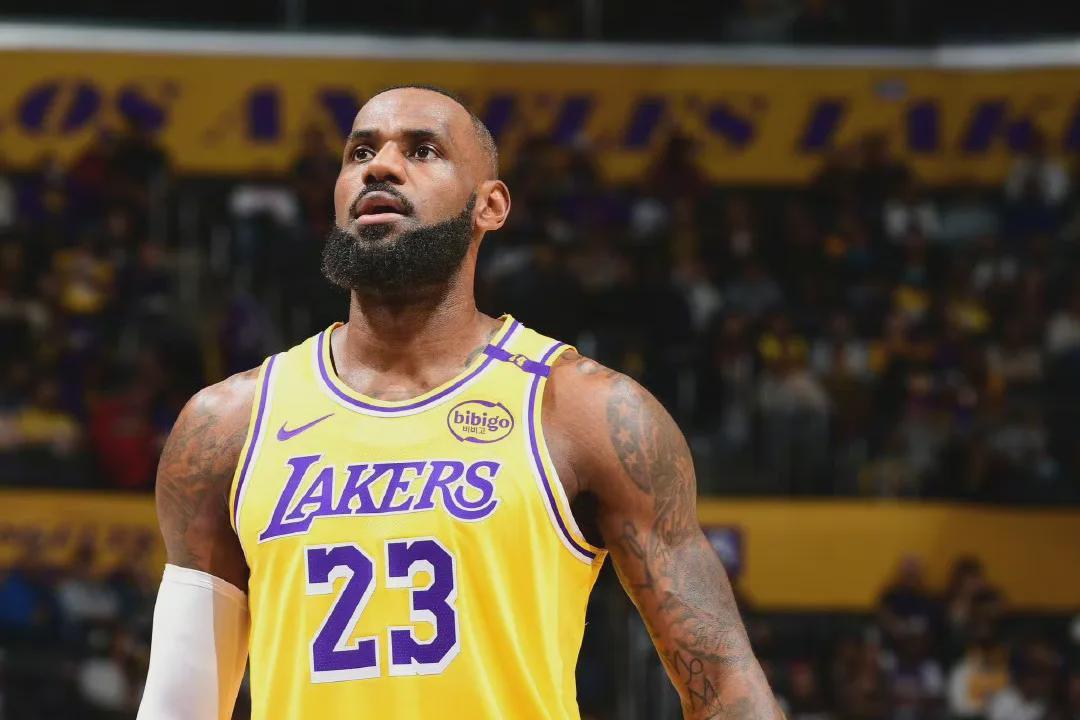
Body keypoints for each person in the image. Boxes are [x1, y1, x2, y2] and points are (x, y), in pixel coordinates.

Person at [137, 85, 781, 719]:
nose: (381, 166)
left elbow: (727, 689)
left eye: (422, 150)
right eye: (360, 152)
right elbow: (178, 706)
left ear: (489, 206)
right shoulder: (227, 425)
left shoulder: (584, 411)